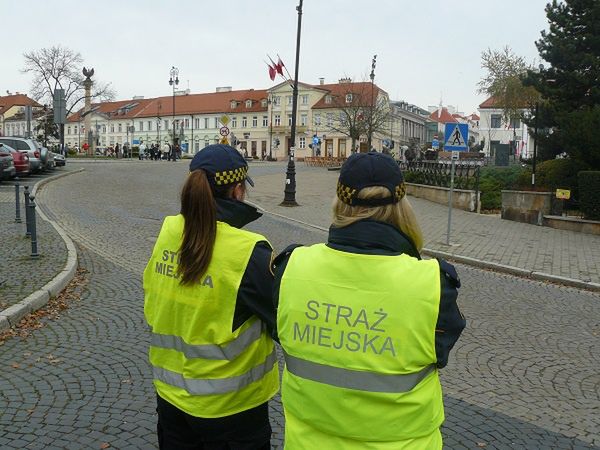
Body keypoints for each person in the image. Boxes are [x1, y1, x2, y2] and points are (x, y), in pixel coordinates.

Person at [274, 151, 466, 449]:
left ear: (339, 201)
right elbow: (439, 353)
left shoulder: (291, 267)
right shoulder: (433, 284)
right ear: (402, 206)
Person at [143, 144, 279, 450]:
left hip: (171, 401)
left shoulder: (169, 232)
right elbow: (281, 319)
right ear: (237, 191)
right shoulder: (248, 252)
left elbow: (153, 298)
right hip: (232, 411)